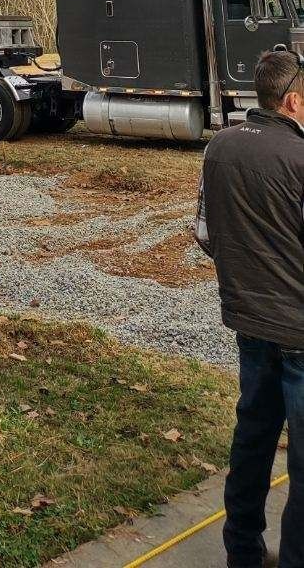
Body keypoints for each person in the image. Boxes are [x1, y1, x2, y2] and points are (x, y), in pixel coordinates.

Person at [194, 47, 304, 568]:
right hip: (299, 332)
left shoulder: (218, 147)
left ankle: (242, 553)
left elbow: (205, 233)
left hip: (250, 325)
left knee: (253, 440)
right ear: (292, 101)